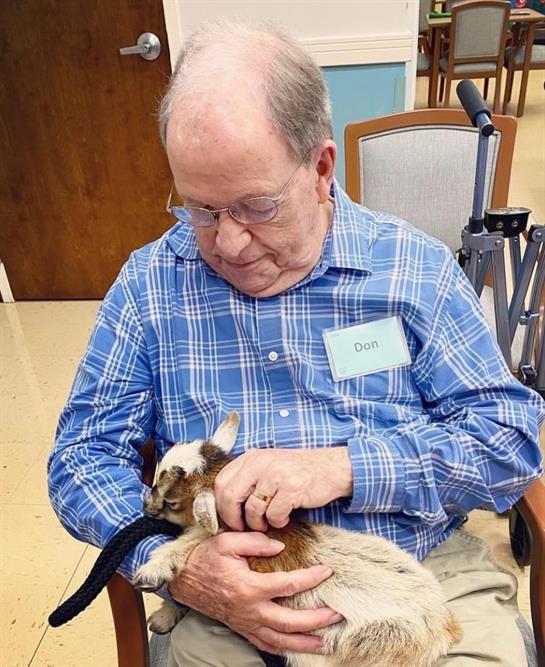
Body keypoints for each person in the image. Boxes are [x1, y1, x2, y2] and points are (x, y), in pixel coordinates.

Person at [48, 20, 545, 667]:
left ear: (319, 167)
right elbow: (79, 457)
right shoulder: (149, 285)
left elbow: (510, 438)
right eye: (199, 208)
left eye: (254, 206)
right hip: (227, 599)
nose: (226, 241)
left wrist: (342, 466)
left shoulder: (410, 270)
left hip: (405, 579)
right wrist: (179, 562)